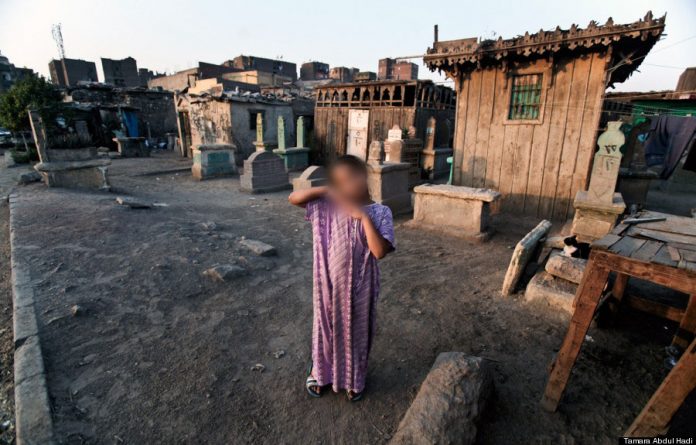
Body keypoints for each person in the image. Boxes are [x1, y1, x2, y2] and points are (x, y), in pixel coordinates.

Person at [288, 155, 395, 401]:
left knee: (357, 333)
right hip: (327, 284)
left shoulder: (381, 212)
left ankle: (354, 378)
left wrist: (363, 218)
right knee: (326, 329)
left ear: (364, 177)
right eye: (341, 182)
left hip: (361, 288)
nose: (348, 185)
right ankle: (320, 372)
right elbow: (293, 198)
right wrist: (326, 191)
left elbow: (379, 252)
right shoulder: (328, 206)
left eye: (352, 178)